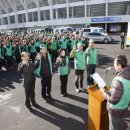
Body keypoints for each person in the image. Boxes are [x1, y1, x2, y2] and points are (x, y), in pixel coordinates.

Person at [100, 55, 130, 130]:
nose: (113, 65)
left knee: (114, 127)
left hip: (116, 110)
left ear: (119, 66)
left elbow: (113, 100)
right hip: (125, 107)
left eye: (114, 64)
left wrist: (104, 92)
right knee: (121, 126)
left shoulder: (118, 80)